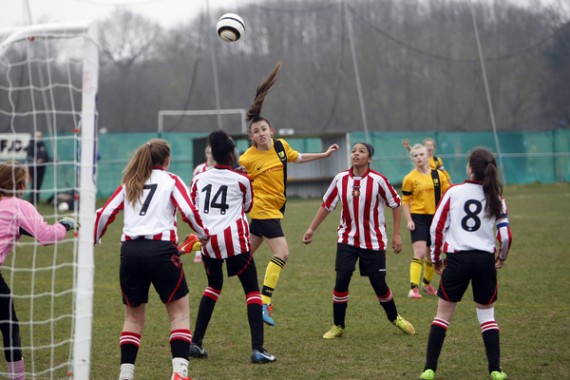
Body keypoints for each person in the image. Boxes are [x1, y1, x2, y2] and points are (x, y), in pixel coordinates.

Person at [94, 139, 209, 380]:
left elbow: (104, 213)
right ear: (167, 160)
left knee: (133, 318)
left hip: (130, 253)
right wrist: (202, 234)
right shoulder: (171, 180)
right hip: (162, 252)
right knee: (179, 315)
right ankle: (179, 373)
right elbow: (188, 211)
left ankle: (125, 375)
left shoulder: (130, 182)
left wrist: (95, 238)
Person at [238, 62, 339, 326]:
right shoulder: (247, 159)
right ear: (251, 137)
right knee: (282, 253)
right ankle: (264, 302)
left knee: (241, 257)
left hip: (274, 210)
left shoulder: (281, 147)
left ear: (271, 131)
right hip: (262, 210)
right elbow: (236, 180)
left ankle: (202, 246)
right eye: (255, 132)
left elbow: (299, 157)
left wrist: (325, 154)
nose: (261, 134)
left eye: (264, 129)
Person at [302, 142, 415, 339]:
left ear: (369, 158)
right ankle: (338, 325)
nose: (356, 154)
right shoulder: (340, 179)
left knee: (379, 283)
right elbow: (327, 205)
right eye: (353, 151)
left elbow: (396, 203)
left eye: (361, 151)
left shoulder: (378, 181)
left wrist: (397, 234)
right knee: (341, 279)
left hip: (374, 241)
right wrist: (311, 229)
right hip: (347, 239)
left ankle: (395, 317)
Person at [419, 147, 512, 380]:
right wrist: (501, 257)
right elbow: (506, 235)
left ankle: (429, 369)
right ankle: (496, 370)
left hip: (458, 260)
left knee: (442, 317)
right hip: (484, 261)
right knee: (487, 318)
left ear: (470, 168)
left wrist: (435, 260)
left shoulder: (454, 192)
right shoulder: (496, 195)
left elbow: (436, 228)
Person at [185, 130, 276, 364]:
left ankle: (195, 343)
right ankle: (258, 349)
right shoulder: (242, 180)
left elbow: (193, 207)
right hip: (234, 242)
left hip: (208, 243)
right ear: (230, 153)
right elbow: (247, 207)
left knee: (213, 287)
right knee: (252, 291)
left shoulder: (199, 179)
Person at [0, 161, 78, 380]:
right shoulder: (18, 206)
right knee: (9, 325)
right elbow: (46, 236)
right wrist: (65, 224)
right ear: (20, 184)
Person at [402, 144, 450, 300]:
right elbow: (405, 201)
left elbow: (447, 195)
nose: (418, 158)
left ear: (427, 156)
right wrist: (409, 220)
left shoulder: (438, 175)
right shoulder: (409, 178)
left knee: (432, 255)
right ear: (412, 159)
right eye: (415, 156)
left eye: (421, 154)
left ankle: (427, 284)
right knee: (420, 253)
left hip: (435, 218)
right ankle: (413, 289)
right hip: (418, 218)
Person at [190, 145, 215, 263]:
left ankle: (214, 250)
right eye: (209, 152)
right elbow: (192, 185)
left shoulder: (218, 168)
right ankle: (198, 252)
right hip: (202, 203)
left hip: (215, 204)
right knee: (200, 226)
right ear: (206, 154)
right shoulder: (199, 169)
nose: (211, 155)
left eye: (213, 152)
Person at [26, 131, 52, 205]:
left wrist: (51, 159)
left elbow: (46, 157)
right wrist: (36, 160)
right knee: (34, 183)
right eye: (37, 136)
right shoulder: (31, 145)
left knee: (39, 183)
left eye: (40, 136)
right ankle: (32, 199)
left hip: (42, 167)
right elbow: (29, 156)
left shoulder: (42, 145)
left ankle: (36, 199)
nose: (38, 138)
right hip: (33, 167)